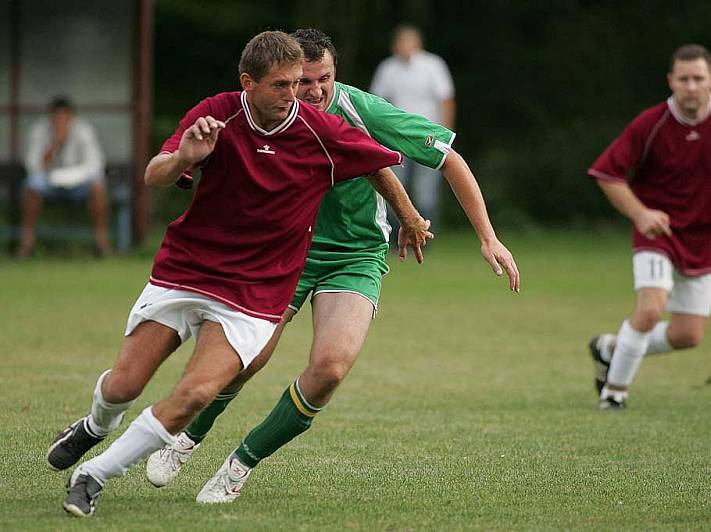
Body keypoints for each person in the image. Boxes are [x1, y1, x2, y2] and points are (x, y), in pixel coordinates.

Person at [47, 30, 431, 518]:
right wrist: (186, 156)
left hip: (255, 292)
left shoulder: (320, 130)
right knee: (123, 385)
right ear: (248, 82)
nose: (295, 95)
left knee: (196, 393)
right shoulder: (216, 114)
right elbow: (155, 174)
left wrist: (412, 219)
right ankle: (94, 427)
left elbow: (380, 164)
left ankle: (95, 474)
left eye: (299, 83)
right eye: (281, 86)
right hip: (189, 271)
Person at [144, 28, 519, 504]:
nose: (315, 91)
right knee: (246, 359)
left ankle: (242, 462)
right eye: (304, 81)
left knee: (331, 367)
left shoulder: (356, 109)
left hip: (355, 255)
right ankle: (187, 437)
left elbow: (445, 159)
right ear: (283, 79)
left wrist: (488, 238)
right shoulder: (264, 110)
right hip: (283, 253)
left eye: (325, 79)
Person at [587, 44, 711, 410]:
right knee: (651, 309)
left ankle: (612, 348)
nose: (691, 86)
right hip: (657, 234)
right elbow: (608, 174)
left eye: (698, 78)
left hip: (705, 239)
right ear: (671, 81)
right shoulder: (651, 123)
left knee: (688, 335)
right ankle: (614, 393)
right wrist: (641, 214)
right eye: (684, 79)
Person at [370, 24, 455, 232]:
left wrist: (445, 135)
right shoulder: (387, 69)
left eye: (408, 41)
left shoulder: (433, 65)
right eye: (400, 42)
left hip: (427, 137)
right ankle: (395, 233)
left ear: (417, 43)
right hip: (395, 136)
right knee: (393, 185)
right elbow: (375, 102)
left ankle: (425, 235)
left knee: (426, 188)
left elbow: (446, 100)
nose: (404, 46)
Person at [17, 96, 111, 258]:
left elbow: (95, 165)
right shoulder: (39, 131)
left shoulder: (83, 130)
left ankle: (101, 242)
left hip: (78, 184)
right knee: (32, 186)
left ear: (71, 117)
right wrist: (55, 143)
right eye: (56, 117)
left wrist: (74, 176)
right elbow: (33, 166)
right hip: (48, 183)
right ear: (50, 116)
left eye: (64, 117)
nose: (60, 121)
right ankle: (27, 242)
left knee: (98, 186)